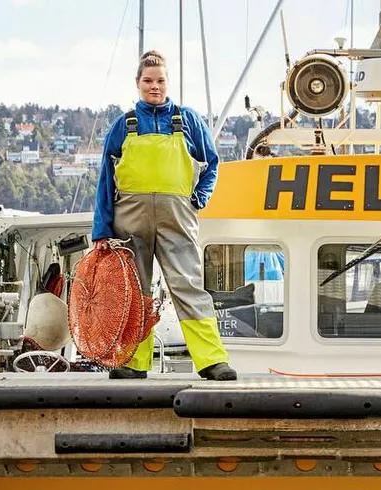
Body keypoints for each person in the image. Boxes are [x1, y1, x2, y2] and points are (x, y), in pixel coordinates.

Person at [91, 50, 236, 381]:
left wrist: (199, 197)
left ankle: (212, 360)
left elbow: (212, 162)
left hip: (177, 216)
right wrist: (101, 228)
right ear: (138, 83)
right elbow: (105, 178)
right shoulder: (123, 125)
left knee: (187, 285)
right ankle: (133, 362)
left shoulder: (187, 120)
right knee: (133, 290)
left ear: (168, 83)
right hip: (129, 219)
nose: (154, 87)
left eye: (160, 81)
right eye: (148, 81)